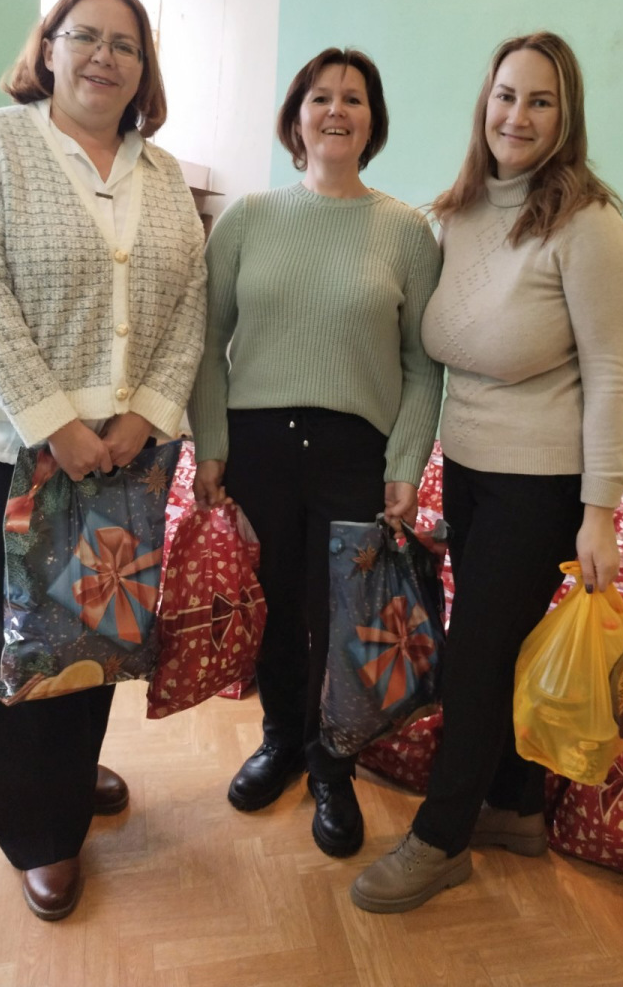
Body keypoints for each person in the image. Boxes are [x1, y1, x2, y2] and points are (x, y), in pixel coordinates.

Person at [0, 0, 207, 920]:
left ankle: (72, 774)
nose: (103, 57)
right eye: (84, 36)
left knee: (98, 625)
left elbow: (190, 304)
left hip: (125, 448)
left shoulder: (162, 173)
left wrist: (147, 416)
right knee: (17, 633)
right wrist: (57, 424)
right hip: (1, 443)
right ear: (47, 49)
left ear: (143, 69)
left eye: (126, 45)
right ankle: (38, 831)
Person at [351, 31, 623, 911]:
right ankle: (514, 806)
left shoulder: (589, 227)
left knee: (474, 664)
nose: (517, 116)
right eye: (506, 95)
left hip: (542, 486)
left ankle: (441, 841)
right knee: (495, 649)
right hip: (470, 472)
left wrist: (600, 514)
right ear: (486, 103)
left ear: (566, 116)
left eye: (540, 101)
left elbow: (611, 378)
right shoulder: (463, 212)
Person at [188, 47, 442, 858]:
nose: (337, 110)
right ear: (296, 117)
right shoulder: (248, 219)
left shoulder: (407, 232)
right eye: (321, 97)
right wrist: (212, 444)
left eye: (354, 99)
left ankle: (334, 765)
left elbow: (422, 365)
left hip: (353, 452)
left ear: (373, 122)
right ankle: (281, 742)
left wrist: (405, 466)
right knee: (273, 609)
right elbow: (207, 342)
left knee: (342, 620)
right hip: (259, 446)